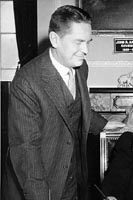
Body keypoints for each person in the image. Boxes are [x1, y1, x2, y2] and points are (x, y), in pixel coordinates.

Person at [2, 5, 124, 200]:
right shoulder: (27, 82)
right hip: (39, 183)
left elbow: (74, 107)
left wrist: (104, 124)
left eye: (88, 42)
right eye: (78, 42)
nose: (85, 50)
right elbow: (26, 152)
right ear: (54, 39)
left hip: (72, 178)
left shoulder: (80, 67)